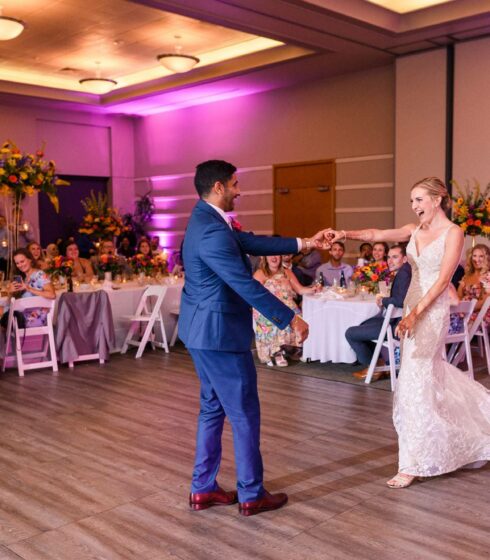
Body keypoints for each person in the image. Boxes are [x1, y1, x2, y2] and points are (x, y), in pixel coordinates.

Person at [179, 160, 327, 516]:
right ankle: (251, 493)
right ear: (218, 187)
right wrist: (289, 317)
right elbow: (243, 284)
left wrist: (306, 241)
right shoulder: (213, 230)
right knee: (244, 411)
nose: (239, 190)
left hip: (201, 330)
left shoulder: (207, 220)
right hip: (219, 334)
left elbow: (250, 241)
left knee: (213, 408)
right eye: (234, 184)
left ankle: (203, 488)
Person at [327, 177, 490, 489]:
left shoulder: (453, 233)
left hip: (431, 311)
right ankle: (471, 431)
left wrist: (415, 314)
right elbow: (376, 234)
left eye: (419, 200)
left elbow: (443, 282)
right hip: (412, 307)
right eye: (412, 201)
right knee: (426, 375)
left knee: (415, 378)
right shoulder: (414, 230)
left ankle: (414, 461)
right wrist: (344, 233)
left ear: (437, 199)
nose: (414, 207)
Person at [345, 244, 411, 380]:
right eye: (389, 257)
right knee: (364, 323)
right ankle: (378, 364)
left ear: (405, 259)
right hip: (396, 319)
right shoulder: (406, 270)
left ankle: (375, 365)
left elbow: (401, 301)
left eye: (395, 257)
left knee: (350, 333)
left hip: (396, 325)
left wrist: (384, 301)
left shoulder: (404, 273)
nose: (390, 261)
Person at [253, 255, 318, 366]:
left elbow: (300, 289)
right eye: (270, 255)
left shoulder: (287, 272)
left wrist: (313, 289)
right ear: (265, 258)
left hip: (288, 305)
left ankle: (294, 349)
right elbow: (255, 295)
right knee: (279, 317)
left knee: (300, 317)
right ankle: (277, 352)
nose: (274, 258)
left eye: (277, 255)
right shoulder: (260, 273)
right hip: (269, 307)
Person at [3, 248, 56, 327]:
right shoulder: (24, 278)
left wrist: (29, 289)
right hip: (22, 315)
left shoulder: (39, 275)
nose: (20, 265)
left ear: (30, 260)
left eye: (22, 261)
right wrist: (11, 292)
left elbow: (52, 295)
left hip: (35, 318)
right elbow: (14, 303)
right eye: (17, 263)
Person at [457, 244, 490, 327]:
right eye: (474, 256)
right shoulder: (467, 276)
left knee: (451, 321)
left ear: (487, 258)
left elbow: (483, 303)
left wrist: (464, 309)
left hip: (480, 315)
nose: (476, 259)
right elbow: (458, 297)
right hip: (464, 311)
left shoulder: (488, 277)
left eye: (481, 256)